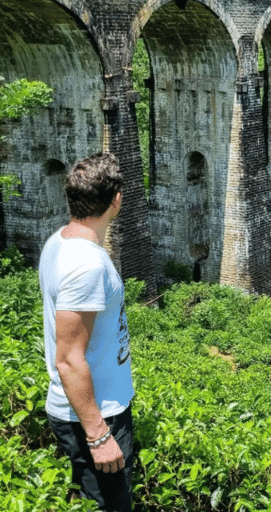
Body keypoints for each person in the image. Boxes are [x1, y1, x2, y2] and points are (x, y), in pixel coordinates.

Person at [38, 152, 134, 511]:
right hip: (95, 416)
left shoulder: (59, 242)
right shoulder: (87, 265)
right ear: (116, 200)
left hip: (93, 409)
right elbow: (68, 359)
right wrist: (98, 435)